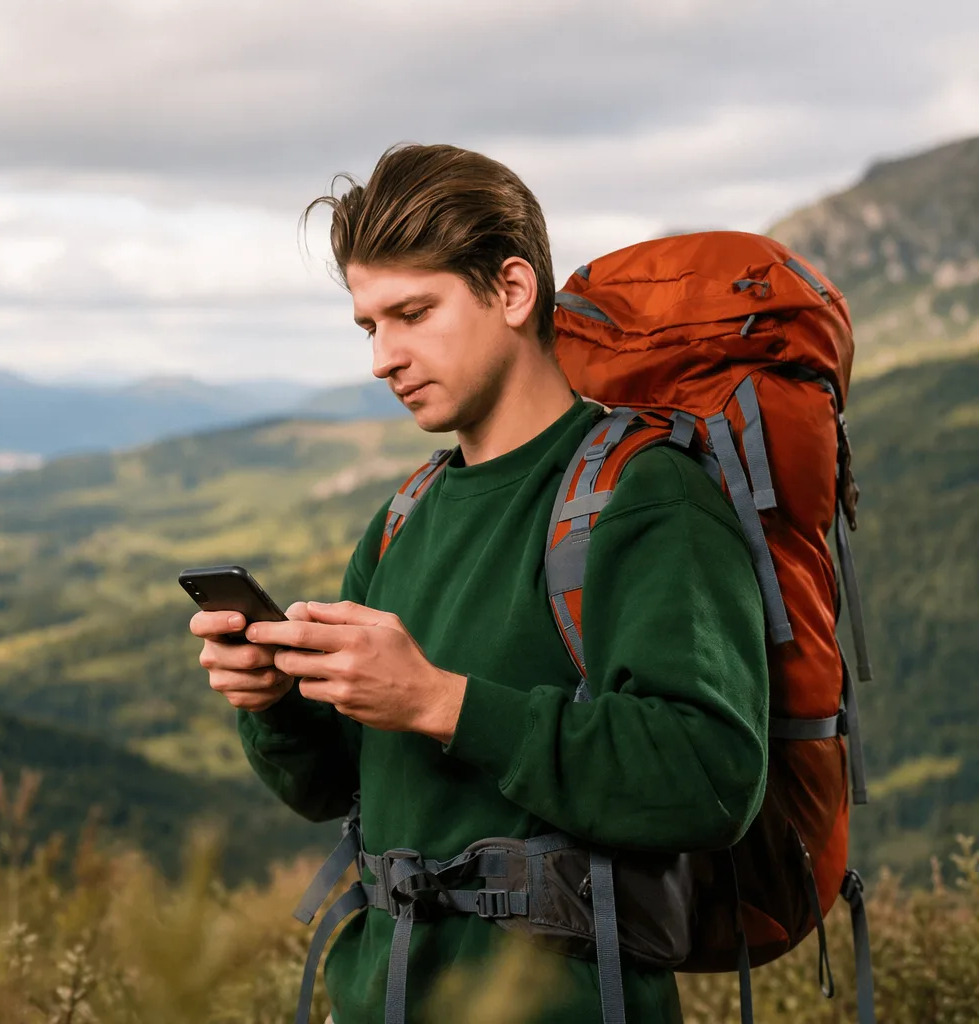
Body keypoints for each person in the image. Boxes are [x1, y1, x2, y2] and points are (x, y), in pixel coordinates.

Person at [188, 144, 770, 1023]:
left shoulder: (646, 496)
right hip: (379, 996)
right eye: (369, 326)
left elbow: (710, 776)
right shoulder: (405, 515)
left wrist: (441, 700)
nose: (383, 357)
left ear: (512, 290)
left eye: (413, 313)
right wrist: (273, 703)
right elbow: (331, 789)